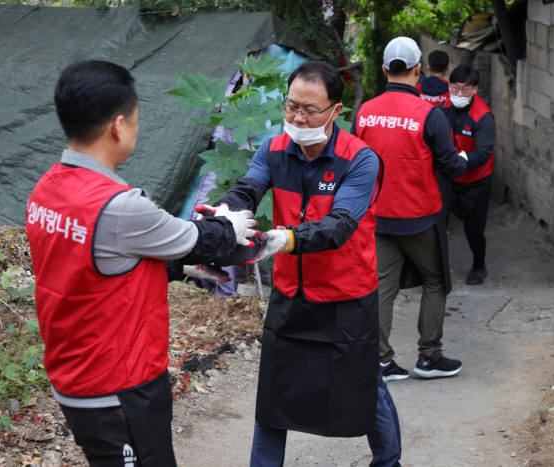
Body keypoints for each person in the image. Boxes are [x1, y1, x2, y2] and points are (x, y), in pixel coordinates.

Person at [25, 60, 257, 466]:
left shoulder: (46, 189)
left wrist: (174, 268)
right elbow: (199, 241)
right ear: (118, 125)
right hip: (119, 385)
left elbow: (94, 266)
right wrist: (231, 223)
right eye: (136, 119)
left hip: (74, 374)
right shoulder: (119, 206)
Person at [210, 60, 401, 466]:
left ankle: (388, 462)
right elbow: (249, 187)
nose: (298, 117)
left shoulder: (361, 160)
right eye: (291, 106)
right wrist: (227, 211)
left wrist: (287, 238)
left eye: (310, 110)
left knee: (365, 385)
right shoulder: (274, 149)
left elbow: (341, 224)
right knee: (274, 393)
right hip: (291, 291)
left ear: (335, 111)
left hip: (346, 295)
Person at [353, 37, 467, 382]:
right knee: (435, 282)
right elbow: (449, 164)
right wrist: (462, 163)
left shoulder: (365, 112)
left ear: (385, 69)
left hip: (378, 216)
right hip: (420, 217)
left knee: (381, 287)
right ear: (419, 70)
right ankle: (429, 357)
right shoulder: (429, 115)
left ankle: (380, 361)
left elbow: (354, 160)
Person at [439, 64, 496, 285]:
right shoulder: (442, 108)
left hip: (476, 181)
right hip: (448, 179)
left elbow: (482, 154)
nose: (458, 94)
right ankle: (438, 270)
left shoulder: (483, 117)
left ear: (475, 90)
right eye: (454, 88)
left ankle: (479, 265)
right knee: (437, 224)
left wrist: (457, 160)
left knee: (474, 230)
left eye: (464, 89)